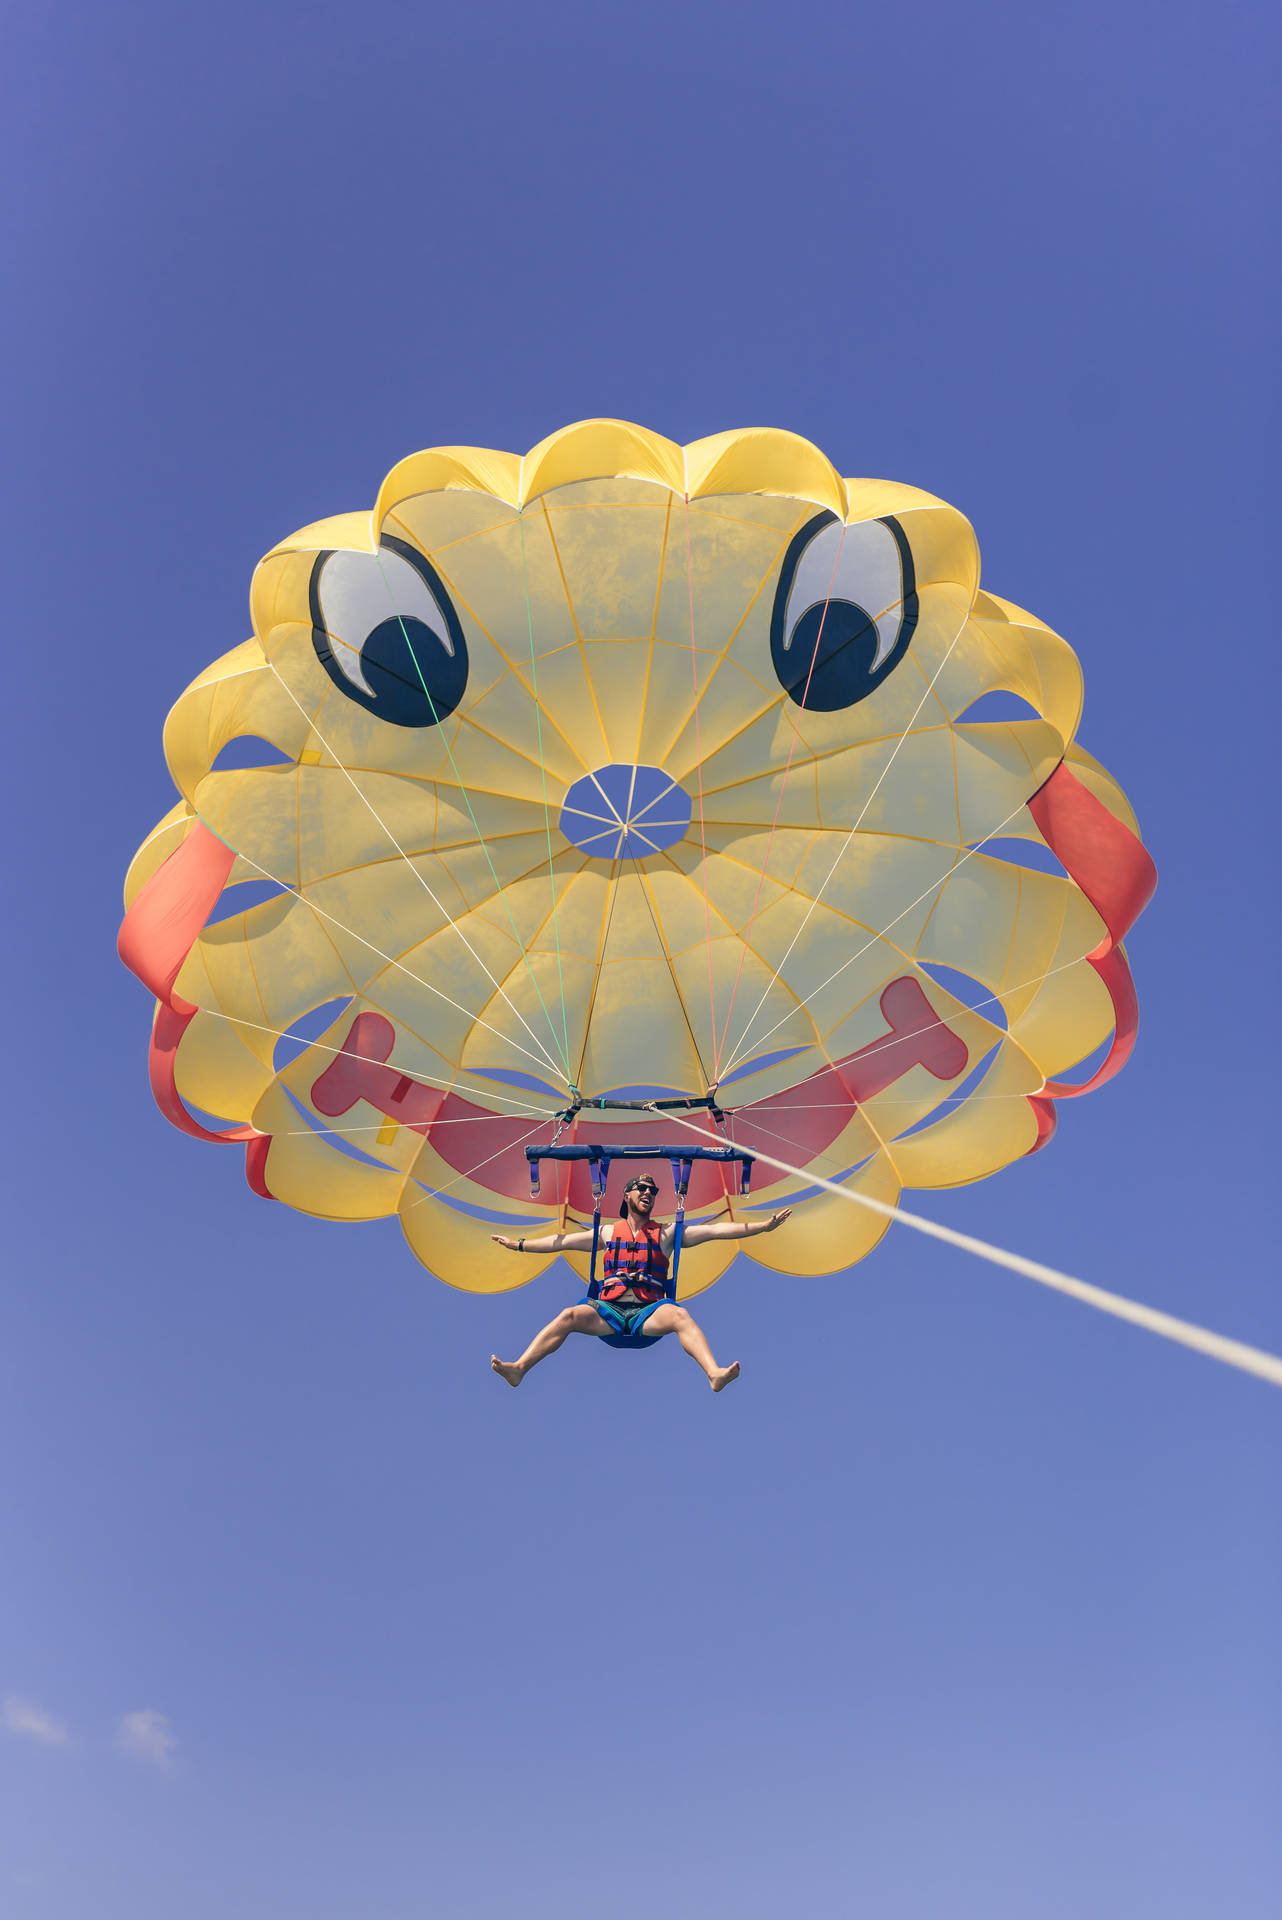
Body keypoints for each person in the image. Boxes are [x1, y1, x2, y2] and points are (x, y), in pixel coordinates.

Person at [489, 1174, 792, 1391]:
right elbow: (561, 1242)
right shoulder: (608, 1233)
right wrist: (520, 1245)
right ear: (627, 1196)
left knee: (679, 1315)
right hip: (609, 1312)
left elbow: (717, 1232)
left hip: (647, 1314)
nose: (648, 1193)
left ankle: (714, 1373)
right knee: (568, 1315)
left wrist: (763, 1228)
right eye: (642, 1188)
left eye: (653, 1190)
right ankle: (519, 1369)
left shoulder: (668, 1233)